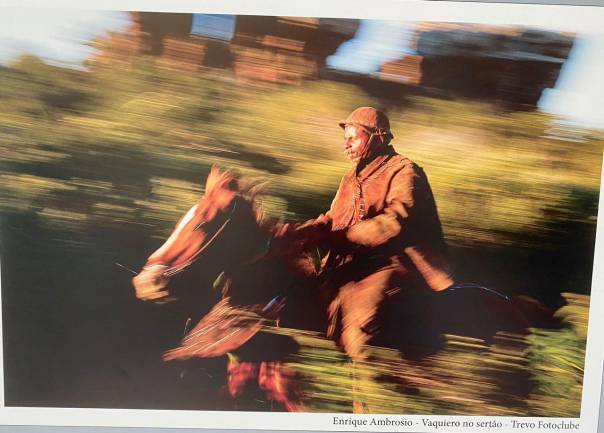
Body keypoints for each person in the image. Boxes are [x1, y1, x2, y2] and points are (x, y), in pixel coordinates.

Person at [278, 106, 455, 361]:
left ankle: (370, 383)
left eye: (353, 138)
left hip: (397, 263)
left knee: (361, 325)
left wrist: (343, 238)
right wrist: (299, 234)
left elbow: (394, 223)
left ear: (378, 137)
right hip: (359, 261)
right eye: (345, 139)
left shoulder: (405, 170)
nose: (346, 146)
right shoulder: (351, 177)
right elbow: (332, 218)